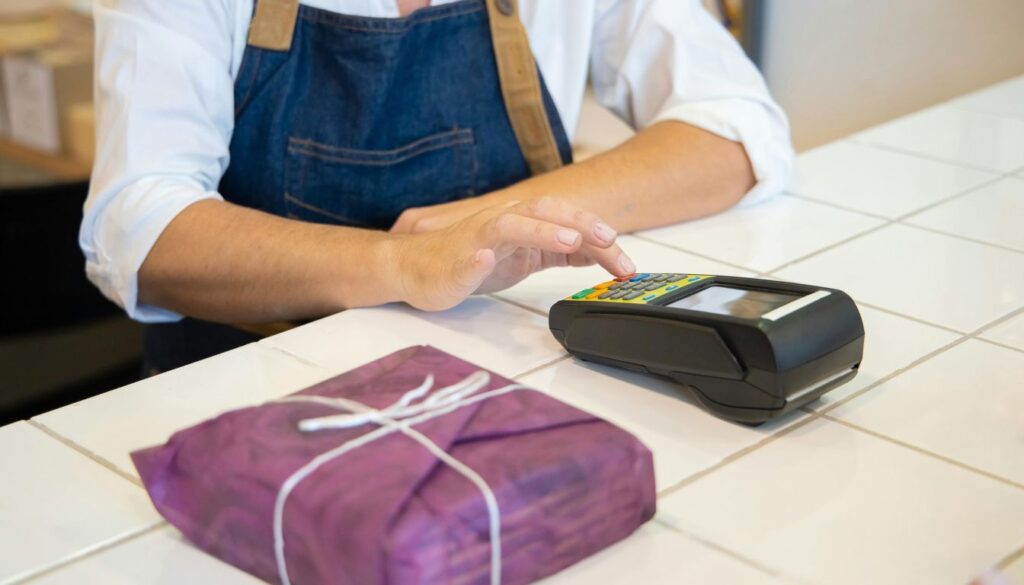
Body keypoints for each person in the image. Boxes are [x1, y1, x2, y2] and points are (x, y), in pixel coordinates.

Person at [81, 0, 793, 374]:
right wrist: (404, 263)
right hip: (247, 402)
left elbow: (737, 130)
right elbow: (140, 228)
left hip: (503, 379)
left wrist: (483, 226)